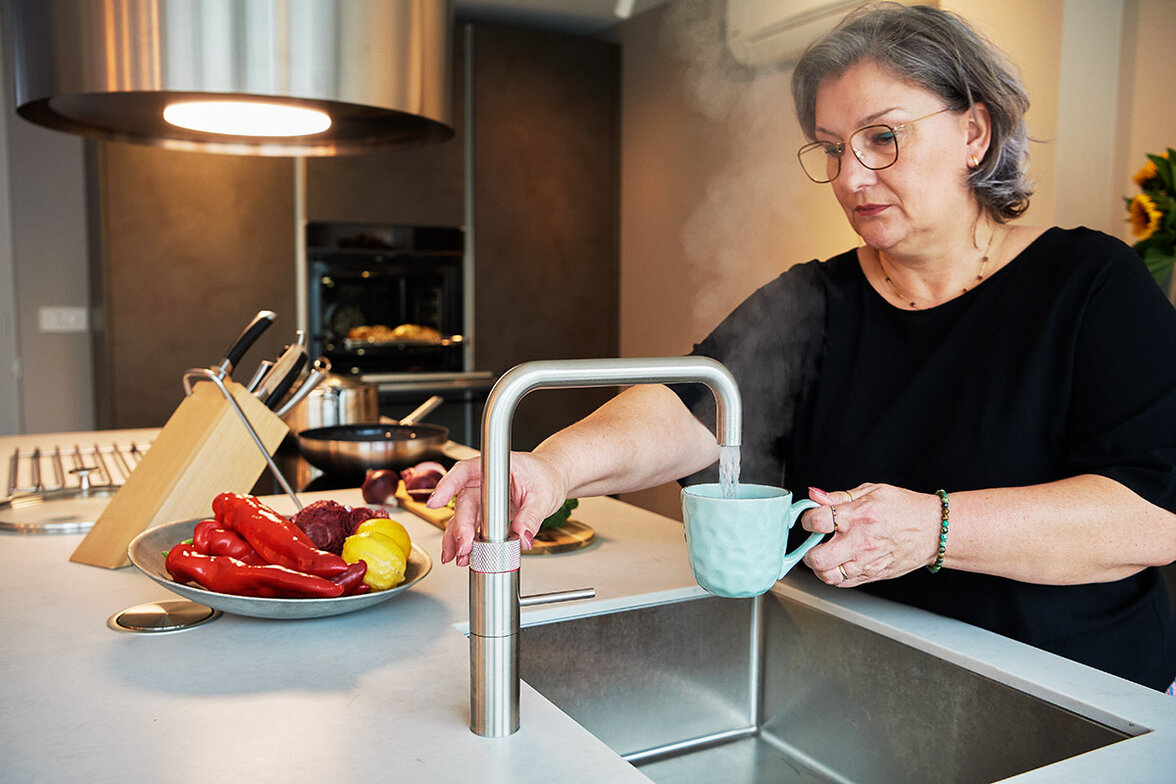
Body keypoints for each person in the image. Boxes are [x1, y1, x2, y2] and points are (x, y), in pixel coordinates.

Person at [428, 3, 1176, 692]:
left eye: (882, 137)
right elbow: (689, 409)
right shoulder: (817, 298)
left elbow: (1154, 515)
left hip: (1079, 689)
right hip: (865, 671)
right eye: (831, 149)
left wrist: (934, 530)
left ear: (974, 133)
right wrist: (554, 468)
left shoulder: (1090, 284)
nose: (850, 176)